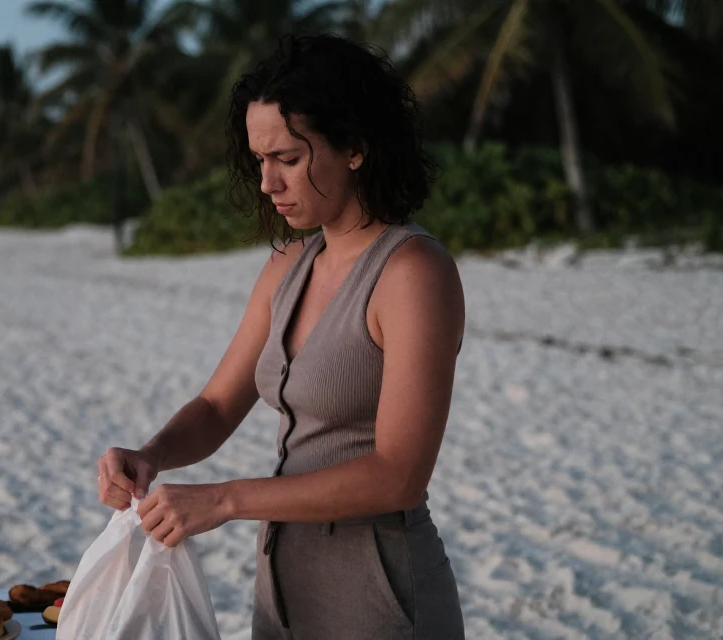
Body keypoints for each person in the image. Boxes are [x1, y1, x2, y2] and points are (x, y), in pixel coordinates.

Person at [96, 33, 466, 639]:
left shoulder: (412, 273)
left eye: (288, 159)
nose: (268, 183)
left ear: (355, 148)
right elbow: (217, 406)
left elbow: (399, 474)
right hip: (283, 590)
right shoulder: (286, 265)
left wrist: (225, 500)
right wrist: (151, 455)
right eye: (259, 160)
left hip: (380, 594)